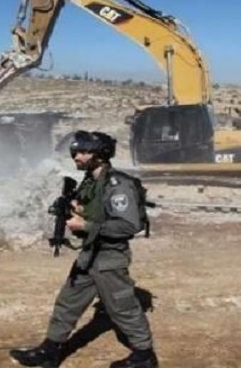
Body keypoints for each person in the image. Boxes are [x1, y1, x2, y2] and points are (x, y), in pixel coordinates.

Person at [10, 130, 158, 368]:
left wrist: (85, 225)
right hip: (89, 254)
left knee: (122, 308)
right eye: (75, 152)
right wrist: (74, 209)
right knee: (68, 302)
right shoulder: (91, 182)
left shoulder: (117, 184)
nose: (76, 157)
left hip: (109, 258)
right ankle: (50, 350)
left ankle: (144, 355)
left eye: (83, 152)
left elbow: (130, 225)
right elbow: (95, 212)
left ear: (100, 154)